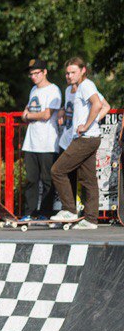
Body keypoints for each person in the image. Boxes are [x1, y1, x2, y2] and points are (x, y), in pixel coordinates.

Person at [51, 58, 106, 229]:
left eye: (73, 72)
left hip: (85, 138)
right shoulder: (75, 89)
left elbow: (99, 105)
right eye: (67, 73)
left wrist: (87, 125)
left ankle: (69, 210)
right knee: (88, 179)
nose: (69, 76)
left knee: (57, 170)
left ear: (83, 70)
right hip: (88, 138)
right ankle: (91, 220)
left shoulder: (86, 85)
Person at [20, 59, 61, 221]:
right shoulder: (33, 90)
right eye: (31, 74)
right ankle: (29, 213)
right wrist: (27, 115)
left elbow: (46, 115)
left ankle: (45, 212)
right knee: (31, 179)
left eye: (36, 73)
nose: (33, 77)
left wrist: (28, 116)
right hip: (31, 142)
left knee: (47, 180)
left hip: (47, 142)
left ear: (45, 72)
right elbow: (26, 111)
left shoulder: (53, 90)